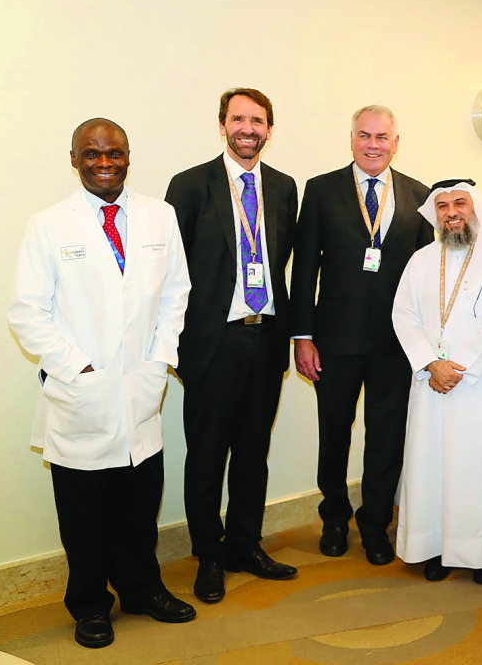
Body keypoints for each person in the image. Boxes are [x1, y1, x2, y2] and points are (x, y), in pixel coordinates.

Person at [8, 119, 195, 648]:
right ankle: (90, 604)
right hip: (80, 396)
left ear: (129, 156)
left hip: (141, 389)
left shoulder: (161, 216)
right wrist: (78, 367)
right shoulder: (50, 225)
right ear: (74, 158)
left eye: (114, 152)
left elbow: (176, 294)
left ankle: (141, 590)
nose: (104, 162)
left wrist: (160, 358)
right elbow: (27, 312)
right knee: (85, 515)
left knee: (140, 505)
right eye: (92, 154)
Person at [165, 88, 299, 604]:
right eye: (238, 119)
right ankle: (209, 556)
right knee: (206, 456)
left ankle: (245, 544)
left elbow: (284, 260)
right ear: (223, 126)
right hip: (212, 343)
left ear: (269, 128)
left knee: (252, 452)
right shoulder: (191, 184)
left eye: (258, 120)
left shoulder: (284, 188)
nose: (248, 128)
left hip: (265, 337)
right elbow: (170, 272)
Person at [289, 105, 433, 565]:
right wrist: (302, 336)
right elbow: (304, 268)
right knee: (334, 434)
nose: (374, 144)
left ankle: (375, 525)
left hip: (396, 344)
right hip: (333, 342)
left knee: (387, 438)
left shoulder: (419, 195)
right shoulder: (321, 189)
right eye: (365, 136)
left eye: (383, 137)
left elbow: (428, 275)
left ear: (396, 141)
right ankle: (333, 517)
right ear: (351, 139)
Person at [391, 179, 482, 584]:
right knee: (430, 464)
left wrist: (457, 366)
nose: (452, 212)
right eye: (442, 206)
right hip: (430, 383)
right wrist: (430, 363)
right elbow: (403, 315)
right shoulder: (421, 260)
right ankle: (434, 547)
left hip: (477, 385)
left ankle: (481, 553)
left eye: (460, 203)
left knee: (478, 467)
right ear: (434, 215)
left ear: (474, 208)